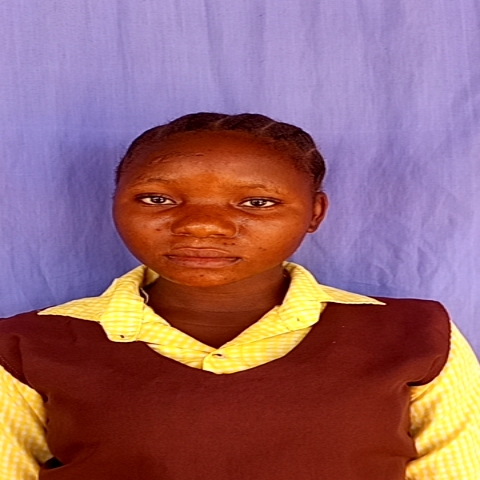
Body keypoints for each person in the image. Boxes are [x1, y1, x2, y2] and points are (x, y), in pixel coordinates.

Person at [0, 112, 479, 480]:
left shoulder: (417, 336)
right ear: (115, 203)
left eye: (257, 202)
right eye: (158, 199)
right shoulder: (26, 347)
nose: (202, 225)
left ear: (315, 213)